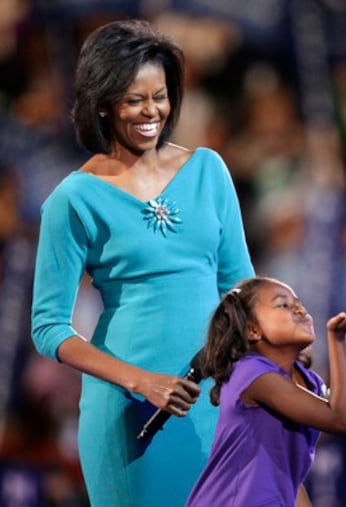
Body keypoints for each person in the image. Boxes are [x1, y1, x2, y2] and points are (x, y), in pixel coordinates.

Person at [30, 19, 254, 506]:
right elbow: (48, 327)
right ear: (104, 105)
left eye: (160, 95)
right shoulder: (73, 198)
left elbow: (240, 289)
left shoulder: (208, 171)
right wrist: (140, 381)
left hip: (213, 400)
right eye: (135, 100)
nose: (152, 111)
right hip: (130, 409)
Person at [185, 276, 346, 506]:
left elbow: (287, 473)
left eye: (298, 303)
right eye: (283, 305)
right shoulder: (251, 373)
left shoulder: (311, 382)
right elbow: (341, 419)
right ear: (252, 330)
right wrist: (337, 339)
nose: (299, 309)